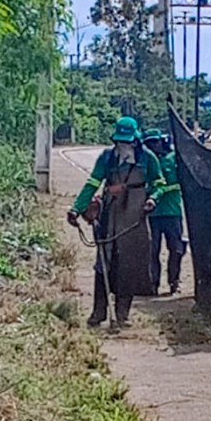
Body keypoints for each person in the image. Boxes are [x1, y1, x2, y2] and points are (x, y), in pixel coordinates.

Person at [68, 117, 164, 328]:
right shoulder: (107, 158)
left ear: (135, 140)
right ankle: (98, 312)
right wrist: (76, 208)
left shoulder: (148, 158)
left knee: (129, 264)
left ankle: (122, 314)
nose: (123, 145)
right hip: (110, 215)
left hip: (135, 218)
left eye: (127, 141)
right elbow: (92, 183)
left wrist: (152, 199)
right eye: (120, 141)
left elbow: (159, 184)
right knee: (104, 262)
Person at [141, 129, 186, 295]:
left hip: (172, 212)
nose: (153, 146)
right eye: (149, 143)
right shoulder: (144, 161)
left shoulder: (173, 158)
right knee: (151, 251)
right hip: (151, 214)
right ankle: (153, 284)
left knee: (176, 249)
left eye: (155, 142)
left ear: (162, 141)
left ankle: (174, 281)